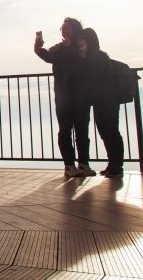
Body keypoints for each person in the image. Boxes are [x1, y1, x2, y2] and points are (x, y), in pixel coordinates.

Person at [34, 17, 96, 178]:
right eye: (62, 28)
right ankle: (69, 165)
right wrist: (38, 49)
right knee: (65, 130)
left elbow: (86, 62)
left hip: (81, 94)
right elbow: (49, 58)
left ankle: (83, 164)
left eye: (66, 28)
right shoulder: (59, 48)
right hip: (63, 95)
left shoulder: (81, 45)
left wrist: (72, 48)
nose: (63, 30)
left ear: (74, 30)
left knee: (82, 130)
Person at [78, 28, 124, 177]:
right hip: (102, 99)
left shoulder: (97, 57)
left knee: (111, 131)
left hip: (107, 99)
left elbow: (97, 77)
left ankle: (117, 165)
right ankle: (113, 164)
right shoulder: (98, 56)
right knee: (106, 131)